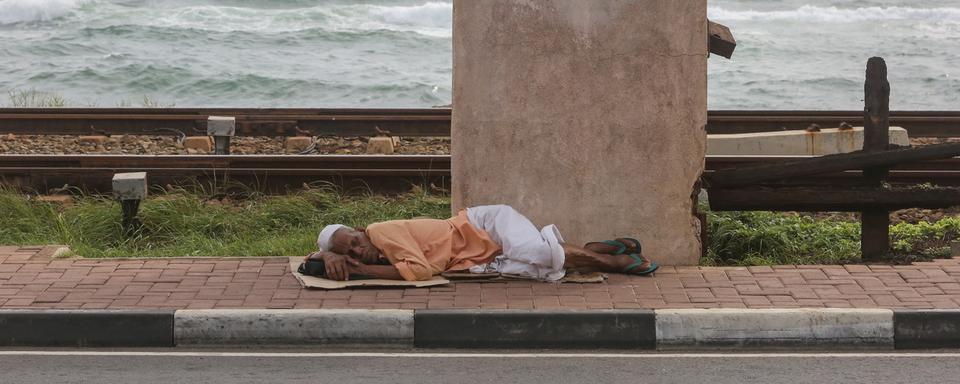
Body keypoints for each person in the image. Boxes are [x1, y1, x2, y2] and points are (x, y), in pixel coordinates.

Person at [305, 205, 658, 281]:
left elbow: (422, 271)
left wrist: (361, 271)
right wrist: (324, 253)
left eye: (353, 241)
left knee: (532, 251)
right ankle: (599, 249)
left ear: (359, 228)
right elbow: (309, 259)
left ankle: (616, 264)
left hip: (485, 226)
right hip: (478, 258)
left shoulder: (381, 231)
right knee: (539, 270)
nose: (356, 250)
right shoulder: (373, 250)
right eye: (348, 253)